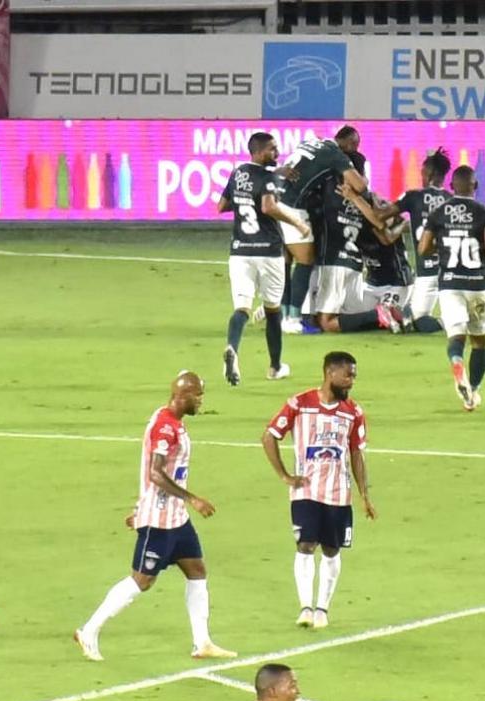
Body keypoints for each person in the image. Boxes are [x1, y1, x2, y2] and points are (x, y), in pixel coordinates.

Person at [75, 371, 237, 661]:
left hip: (176, 518)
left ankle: (202, 642)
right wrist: (192, 499)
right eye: (198, 396)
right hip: (160, 519)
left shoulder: (175, 423)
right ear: (183, 395)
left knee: (197, 570)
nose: (201, 401)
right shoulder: (165, 427)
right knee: (141, 580)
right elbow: (155, 473)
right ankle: (88, 631)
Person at [262, 351, 377, 630]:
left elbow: (356, 454)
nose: (351, 381)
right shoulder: (300, 404)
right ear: (330, 373)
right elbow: (269, 436)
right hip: (306, 490)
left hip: (339, 493)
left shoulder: (354, 413)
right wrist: (284, 476)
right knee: (305, 545)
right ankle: (305, 608)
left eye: (354, 376)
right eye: (348, 375)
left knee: (331, 548)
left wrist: (364, 495)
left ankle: (322, 609)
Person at [217, 132, 312, 386]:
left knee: (242, 308)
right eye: (272, 149)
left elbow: (221, 206)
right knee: (272, 311)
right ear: (258, 152)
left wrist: (244, 200)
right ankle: (275, 366)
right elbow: (269, 207)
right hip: (268, 252)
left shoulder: (237, 173)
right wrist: (298, 224)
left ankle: (232, 348)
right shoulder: (268, 177)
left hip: (240, 251)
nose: (277, 153)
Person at [420, 165, 485, 412]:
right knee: (479, 341)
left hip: (449, 285)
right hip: (477, 285)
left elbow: (423, 248)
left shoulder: (438, 212)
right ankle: (473, 392)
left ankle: (457, 364)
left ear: (452, 187)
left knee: (456, 337)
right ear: (475, 186)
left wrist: (443, 248)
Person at [278, 127, 368, 333]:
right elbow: (359, 186)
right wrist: (363, 180)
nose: (354, 150)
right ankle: (292, 320)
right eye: (354, 145)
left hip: (274, 198)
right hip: (290, 205)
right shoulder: (335, 154)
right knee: (306, 259)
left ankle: (281, 315)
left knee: (285, 261)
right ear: (347, 142)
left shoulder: (311, 141)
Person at [305, 176, 404, 334]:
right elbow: (382, 228)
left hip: (335, 262)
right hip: (355, 265)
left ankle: (379, 313)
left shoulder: (330, 194)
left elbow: (384, 230)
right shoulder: (365, 203)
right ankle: (386, 319)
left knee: (327, 324)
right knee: (332, 318)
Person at [376, 147, 451, 333]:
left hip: (427, 272)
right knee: (441, 316)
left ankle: (448, 321)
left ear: (430, 173)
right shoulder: (452, 200)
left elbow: (381, 216)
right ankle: (454, 320)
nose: (422, 177)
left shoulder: (413, 197)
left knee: (419, 321)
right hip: (450, 271)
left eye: (423, 173)